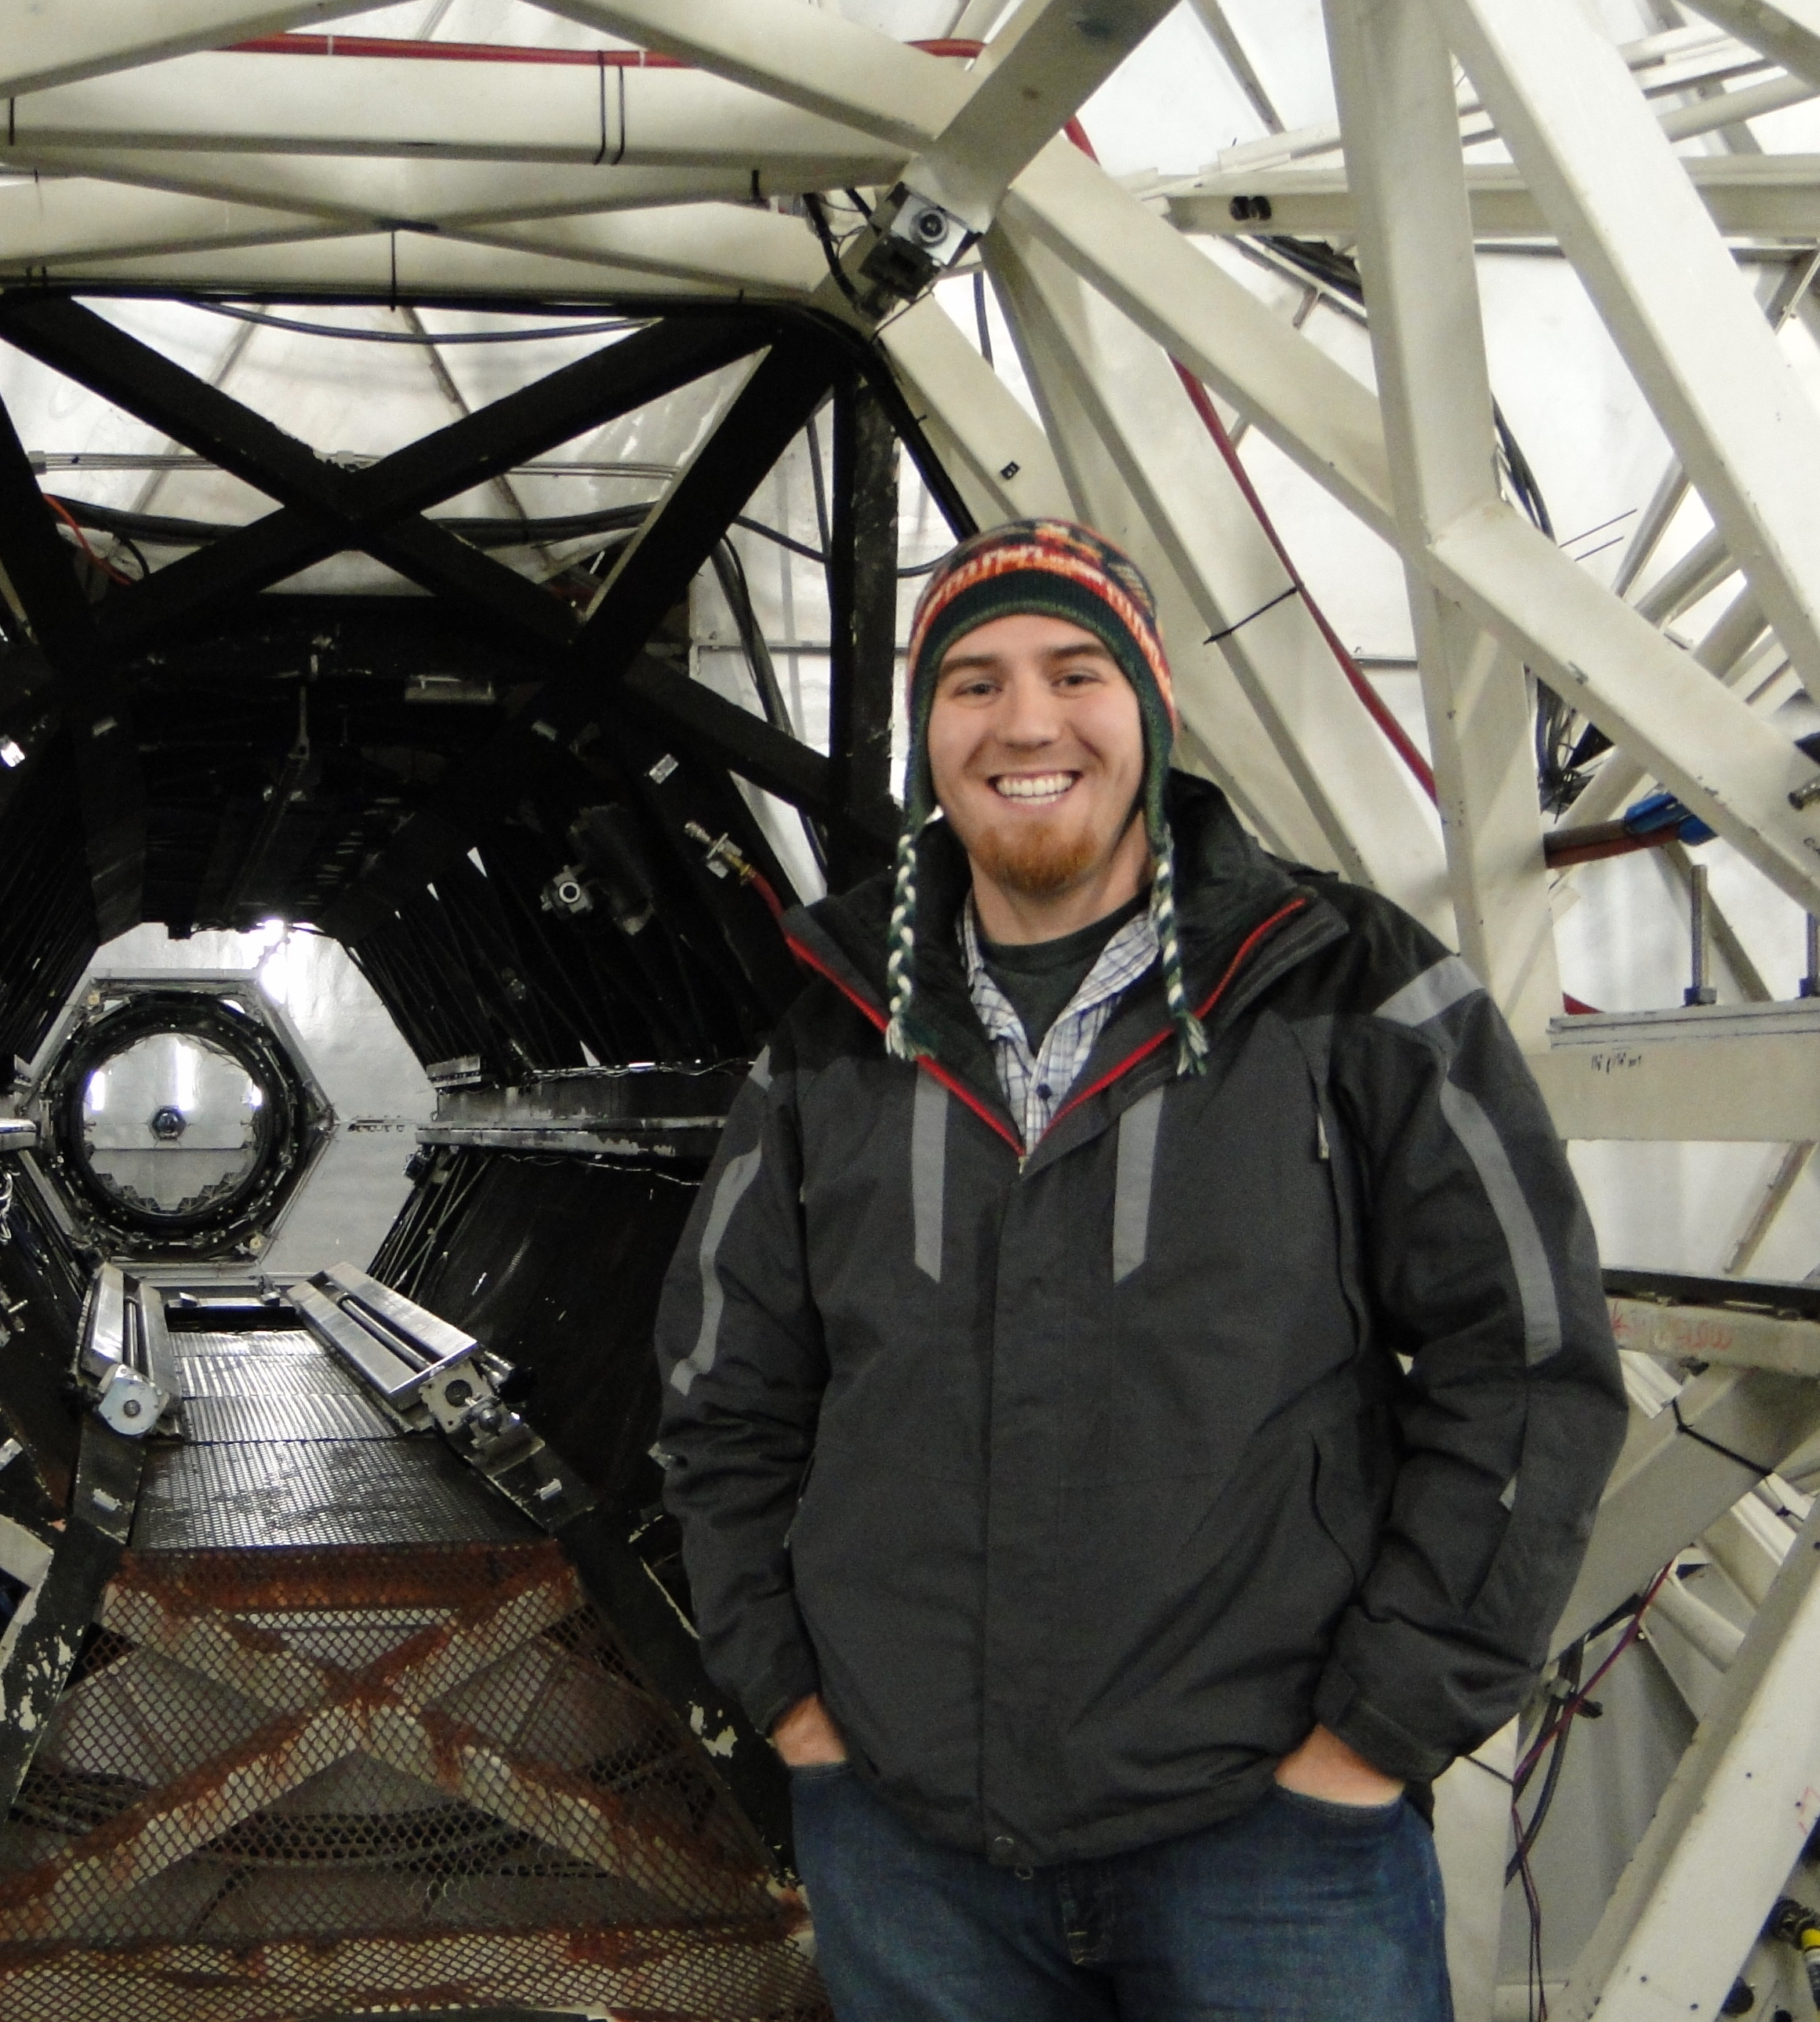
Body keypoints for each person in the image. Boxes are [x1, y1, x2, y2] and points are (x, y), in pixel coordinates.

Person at [652, 518, 1626, 2021]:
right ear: (928, 734)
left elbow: (1532, 1366)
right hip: (910, 1843)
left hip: (1274, 1844)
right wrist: (788, 1700)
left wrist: (1374, 1739)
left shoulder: (1348, 990)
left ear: (1154, 708)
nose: (1026, 722)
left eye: (1075, 670)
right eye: (971, 684)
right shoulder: (839, 1032)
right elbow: (726, 1389)